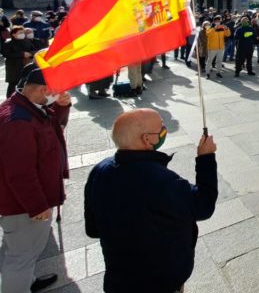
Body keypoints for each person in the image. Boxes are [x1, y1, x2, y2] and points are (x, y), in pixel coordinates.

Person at [84, 109, 218, 293]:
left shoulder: (99, 171)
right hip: (160, 280)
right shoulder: (162, 181)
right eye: (161, 127)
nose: (164, 130)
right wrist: (206, 158)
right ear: (146, 139)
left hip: (119, 278)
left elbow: (92, 229)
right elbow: (204, 205)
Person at [0, 62, 72, 293]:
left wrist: (61, 107)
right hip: (23, 206)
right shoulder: (18, 122)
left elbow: (49, 125)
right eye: (55, 91)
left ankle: (27, 282)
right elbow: (20, 173)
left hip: (24, 202)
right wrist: (37, 205)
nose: (56, 95)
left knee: (23, 252)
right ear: (43, 90)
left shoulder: (24, 106)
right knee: (20, 257)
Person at [2, 25, 35, 97]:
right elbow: (6, 54)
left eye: (23, 32)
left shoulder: (26, 41)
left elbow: (34, 50)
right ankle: (9, 100)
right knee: (12, 85)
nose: (22, 34)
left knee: (25, 83)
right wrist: (22, 54)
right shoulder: (8, 43)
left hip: (26, 65)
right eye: (20, 33)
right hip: (14, 67)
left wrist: (30, 54)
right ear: (13, 34)